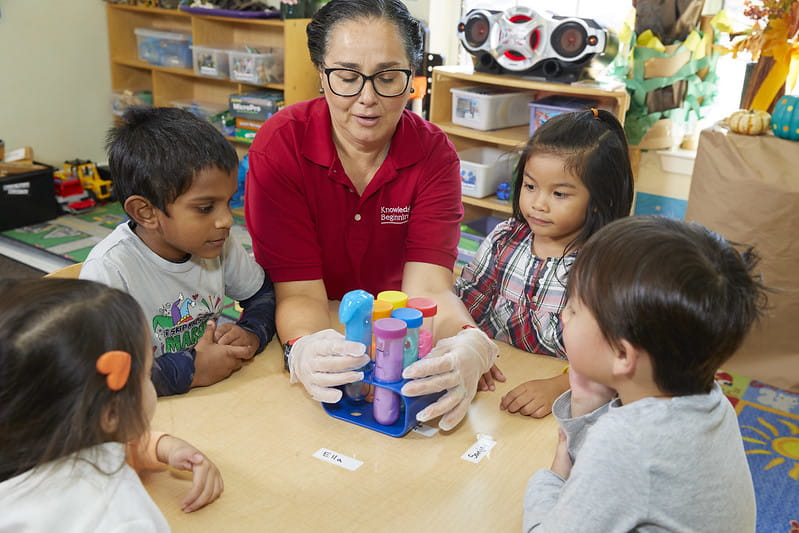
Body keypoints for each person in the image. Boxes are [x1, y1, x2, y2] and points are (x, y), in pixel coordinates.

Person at [245, 0, 499, 431]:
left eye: (387, 77)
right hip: (320, 319)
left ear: (412, 79)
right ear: (321, 76)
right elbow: (299, 293)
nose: (367, 99)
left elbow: (430, 290)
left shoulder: (434, 155)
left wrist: (467, 342)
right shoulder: (281, 146)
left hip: (400, 336)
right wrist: (307, 348)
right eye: (346, 77)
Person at [523, 216, 765, 531]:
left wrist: (551, 478)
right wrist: (586, 402)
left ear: (622, 355)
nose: (563, 316)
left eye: (573, 309)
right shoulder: (711, 398)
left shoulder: (626, 442)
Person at [0, 279, 224, 531]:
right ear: (111, 412)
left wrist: (160, 446)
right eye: (148, 374)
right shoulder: (120, 515)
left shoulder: (23, 440)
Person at [81, 106, 276, 396]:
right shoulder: (109, 271)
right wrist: (191, 369)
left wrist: (251, 332)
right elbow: (99, 376)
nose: (226, 220)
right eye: (205, 208)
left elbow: (263, 294)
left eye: (228, 201)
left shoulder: (215, 242)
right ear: (146, 212)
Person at [456, 109, 634, 418]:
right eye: (530, 186)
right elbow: (467, 301)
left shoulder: (605, 269)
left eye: (560, 193)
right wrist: (465, 343)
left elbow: (617, 360)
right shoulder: (505, 239)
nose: (538, 203)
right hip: (497, 383)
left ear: (600, 200)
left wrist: (560, 386)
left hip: (573, 403)